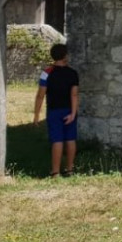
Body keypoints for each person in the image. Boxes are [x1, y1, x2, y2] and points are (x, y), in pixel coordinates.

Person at [33, 43, 79, 177]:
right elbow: (74, 95)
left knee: (57, 140)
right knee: (70, 139)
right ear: (65, 56)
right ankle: (70, 169)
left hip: (54, 111)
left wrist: (36, 114)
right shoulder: (73, 73)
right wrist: (73, 113)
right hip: (69, 110)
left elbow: (40, 95)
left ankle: (55, 172)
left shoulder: (46, 73)